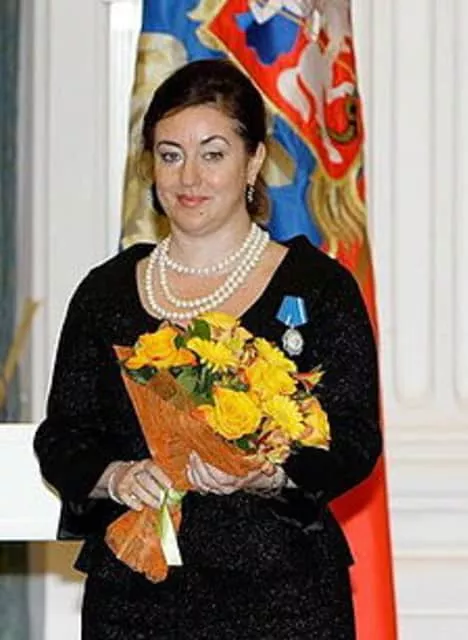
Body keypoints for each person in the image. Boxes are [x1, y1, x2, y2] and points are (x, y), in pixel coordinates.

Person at [34, 58, 382, 639]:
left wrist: (269, 474)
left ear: (255, 161)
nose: (188, 177)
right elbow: (63, 438)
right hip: (134, 598)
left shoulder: (318, 287)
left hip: (284, 599)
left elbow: (354, 438)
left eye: (213, 154)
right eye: (170, 155)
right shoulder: (106, 293)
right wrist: (116, 477)